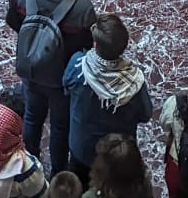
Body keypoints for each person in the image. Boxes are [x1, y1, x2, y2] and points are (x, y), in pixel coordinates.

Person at [62, 13, 151, 181]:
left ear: (95, 45)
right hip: (117, 157)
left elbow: (66, 90)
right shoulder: (135, 83)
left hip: (82, 150)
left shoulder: (77, 65)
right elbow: (145, 115)